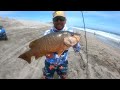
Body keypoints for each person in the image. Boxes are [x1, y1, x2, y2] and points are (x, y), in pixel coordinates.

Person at [42, 11, 81, 79]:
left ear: (65, 21)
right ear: (53, 21)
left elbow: (77, 50)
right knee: (47, 77)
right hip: (49, 62)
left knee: (63, 77)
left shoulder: (69, 32)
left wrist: (75, 43)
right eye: (56, 19)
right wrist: (46, 53)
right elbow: (42, 48)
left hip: (63, 63)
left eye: (61, 19)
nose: (59, 21)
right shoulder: (47, 33)